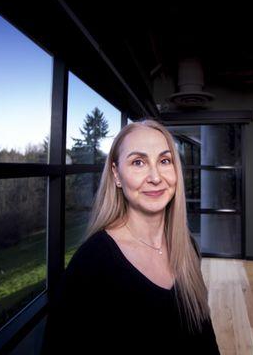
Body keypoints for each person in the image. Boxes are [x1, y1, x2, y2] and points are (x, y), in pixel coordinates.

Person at [42, 118, 220, 354]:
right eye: (138, 162)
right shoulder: (91, 264)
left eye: (165, 161)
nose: (156, 177)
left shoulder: (185, 245)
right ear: (116, 175)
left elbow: (203, 336)